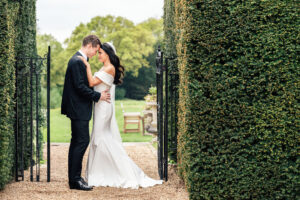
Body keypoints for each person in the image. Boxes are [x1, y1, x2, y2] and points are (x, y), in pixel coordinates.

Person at [78, 42, 163, 189]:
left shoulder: (109, 68)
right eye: (98, 53)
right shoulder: (105, 67)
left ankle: (111, 172)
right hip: (100, 106)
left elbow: (91, 82)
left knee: (100, 138)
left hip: (104, 109)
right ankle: (97, 171)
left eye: (100, 53)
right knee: (98, 138)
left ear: (108, 54)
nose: (98, 55)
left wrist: (87, 65)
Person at [61, 35, 111, 191]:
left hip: (79, 108)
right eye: (95, 50)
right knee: (81, 141)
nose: (95, 54)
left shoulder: (81, 61)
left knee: (78, 141)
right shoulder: (77, 61)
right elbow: (80, 87)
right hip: (78, 109)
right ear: (90, 45)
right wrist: (98, 96)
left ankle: (75, 178)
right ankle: (74, 180)